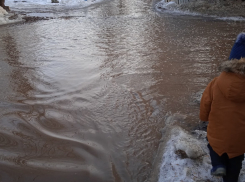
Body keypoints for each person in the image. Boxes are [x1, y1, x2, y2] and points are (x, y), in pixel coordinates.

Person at [200, 32, 245, 182]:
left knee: (214, 146)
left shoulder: (215, 82)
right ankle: (231, 179)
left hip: (217, 131)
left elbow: (205, 102)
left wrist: (203, 118)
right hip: (240, 138)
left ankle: (218, 164)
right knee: (236, 159)